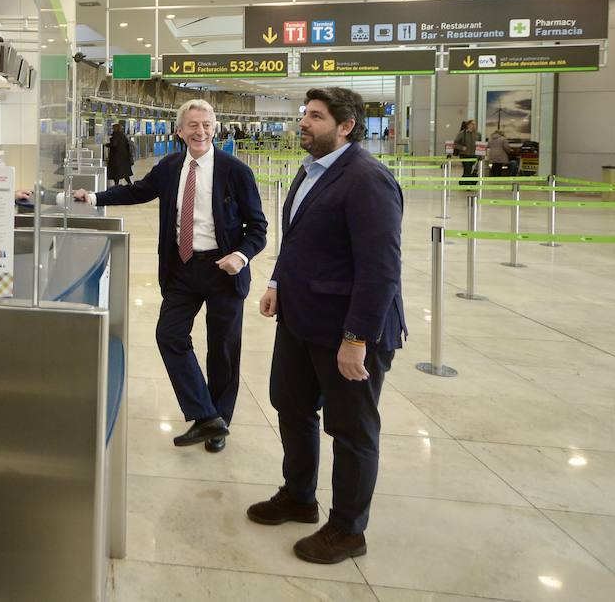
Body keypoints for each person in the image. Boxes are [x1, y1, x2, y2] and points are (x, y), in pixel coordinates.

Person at [248, 87, 406, 565]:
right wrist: (276, 280)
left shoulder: (367, 180)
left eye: (315, 117)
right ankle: (299, 496)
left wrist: (356, 338)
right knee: (291, 405)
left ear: (346, 126)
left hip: (348, 332)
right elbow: (296, 239)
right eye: (304, 115)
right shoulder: (310, 170)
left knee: (352, 429)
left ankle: (347, 530)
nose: (304, 123)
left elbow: (380, 270)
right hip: (301, 320)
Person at [73, 99, 267, 452]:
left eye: (207, 124)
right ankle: (205, 415)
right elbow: (137, 191)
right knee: (169, 335)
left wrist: (240, 255)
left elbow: (258, 227)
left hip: (224, 269)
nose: (200, 131)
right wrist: (95, 196)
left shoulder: (235, 171)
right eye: (193, 125)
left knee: (223, 349)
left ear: (215, 127)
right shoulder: (170, 166)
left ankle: (219, 421)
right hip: (182, 267)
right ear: (180, 131)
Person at [453, 119, 479, 185]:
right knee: (467, 169)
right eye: (472, 124)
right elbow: (455, 144)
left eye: (475, 124)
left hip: (473, 155)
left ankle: (463, 181)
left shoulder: (477, 134)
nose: (474, 126)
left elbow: (479, 144)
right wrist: (462, 147)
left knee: (469, 170)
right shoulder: (462, 134)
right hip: (464, 155)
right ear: (468, 125)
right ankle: (468, 184)